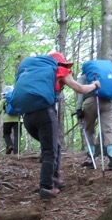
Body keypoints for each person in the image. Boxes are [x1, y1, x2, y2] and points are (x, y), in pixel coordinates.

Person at [22, 52, 100, 199]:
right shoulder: (59, 70)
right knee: (50, 151)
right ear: (60, 63)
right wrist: (94, 85)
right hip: (45, 113)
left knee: (54, 146)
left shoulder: (34, 72)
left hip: (27, 116)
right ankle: (46, 186)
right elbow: (80, 89)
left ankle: (56, 178)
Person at [75, 73, 112, 170]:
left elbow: (80, 92)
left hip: (90, 102)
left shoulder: (85, 76)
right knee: (108, 130)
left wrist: (78, 109)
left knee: (89, 130)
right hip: (108, 102)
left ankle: (91, 158)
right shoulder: (107, 75)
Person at [0, 85, 20, 155]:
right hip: (18, 119)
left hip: (7, 120)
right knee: (17, 135)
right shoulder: (18, 98)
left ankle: (10, 145)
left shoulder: (4, 100)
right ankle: (16, 152)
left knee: (6, 134)